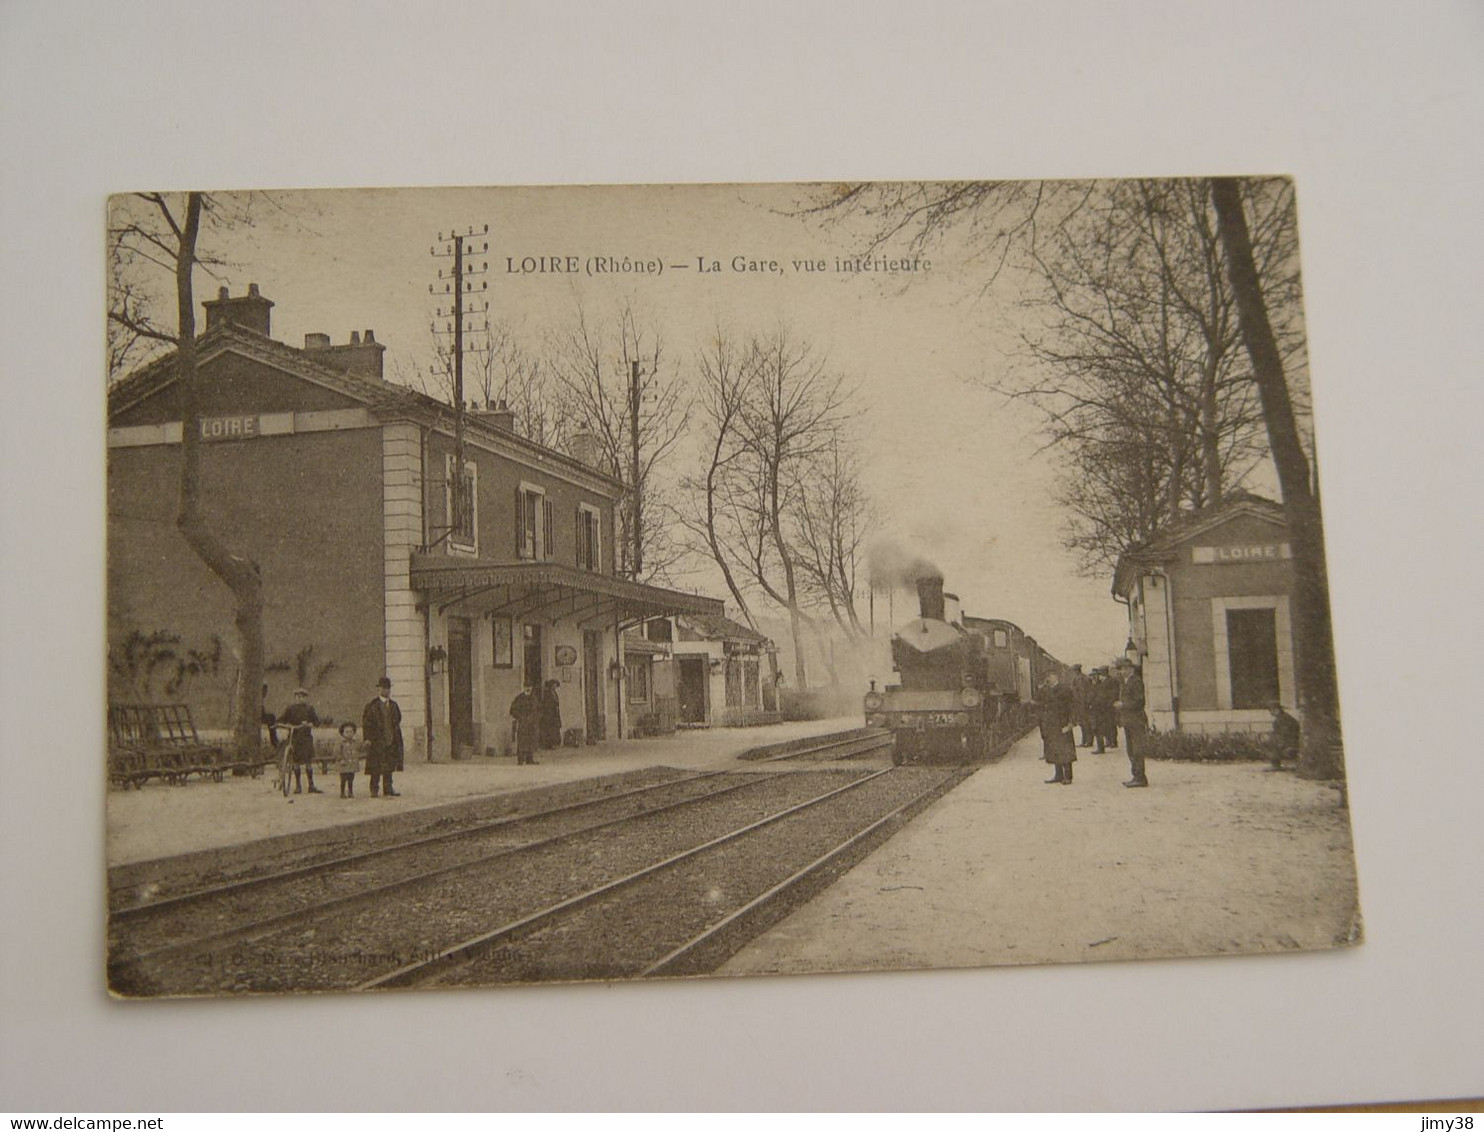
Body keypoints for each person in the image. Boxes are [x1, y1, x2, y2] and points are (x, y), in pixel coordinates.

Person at [361, 676, 404, 798]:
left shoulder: (394, 705)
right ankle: (374, 789)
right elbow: (366, 724)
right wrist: (367, 738)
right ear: (378, 689)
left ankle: (388, 788)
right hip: (376, 740)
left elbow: (398, 720)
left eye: (387, 688)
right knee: (376, 766)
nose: (385, 691)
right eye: (383, 688)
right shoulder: (372, 706)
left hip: (391, 739)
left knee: (389, 765)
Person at [278, 687, 322, 794]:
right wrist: (286, 724)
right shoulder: (290, 709)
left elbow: (316, 722)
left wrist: (309, 724)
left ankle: (311, 785)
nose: (299, 698)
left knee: (308, 762)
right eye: (297, 696)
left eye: (302, 697)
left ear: (305, 698)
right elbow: (281, 719)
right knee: (295, 762)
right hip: (294, 738)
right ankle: (298, 786)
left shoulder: (309, 709)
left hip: (306, 738)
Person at [1114, 656, 1149, 787]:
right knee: (1131, 750)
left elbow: (1139, 701)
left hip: (1136, 720)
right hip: (1129, 720)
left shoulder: (1136, 682)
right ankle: (1136, 776)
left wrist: (1123, 705)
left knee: (1137, 750)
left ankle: (1140, 778)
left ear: (1130, 669)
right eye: (1120, 669)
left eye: (1124, 669)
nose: (1122, 672)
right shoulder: (1125, 682)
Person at [1038, 670, 1077, 785]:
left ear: (1056, 676)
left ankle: (1068, 776)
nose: (1048, 679)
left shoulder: (1065, 689)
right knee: (1055, 749)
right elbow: (1039, 699)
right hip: (1051, 724)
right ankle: (1058, 775)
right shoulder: (1047, 690)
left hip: (1062, 723)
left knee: (1065, 750)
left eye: (1050, 676)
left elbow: (1072, 706)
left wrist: (1071, 722)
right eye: (1047, 677)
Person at [510, 680, 541, 764]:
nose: (528, 688)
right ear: (524, 687)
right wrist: (520, 717)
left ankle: (529, 759)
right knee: (522, 741)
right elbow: (512, 709)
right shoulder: (519, 698)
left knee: (531, 740)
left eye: (530, 687)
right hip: (523, 723)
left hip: (532, 723)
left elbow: (539, 710)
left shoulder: (534, 698)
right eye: (526, 686)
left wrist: (536, 718)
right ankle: (520, 759)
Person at [333, 721, 364, 798]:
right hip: (344, 764)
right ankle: (342, 792)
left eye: (351, 732)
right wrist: (340, 759)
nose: (349, 734)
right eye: (347, 732)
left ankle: (350, 791)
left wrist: (365, 745)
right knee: (343, 779)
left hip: (352, 763)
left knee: (351, 778)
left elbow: (360, 748)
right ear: (343, 733)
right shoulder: (340, 742)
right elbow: (337, 751)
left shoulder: (355, 742)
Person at [1091, 668, 1118, 753]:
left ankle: (1101, 747)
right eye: (1093, 676)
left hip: (1101, 710)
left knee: (1099, 728)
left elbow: (1101, 697)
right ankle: (1102, 745)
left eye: (1095, 675)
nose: (1094, 677)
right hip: (1097, 709)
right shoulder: (1095, 684)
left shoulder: (1100, 685)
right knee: (1097, 728)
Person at [1268, 702, 1301, 770]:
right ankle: (1275, 763)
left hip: (1291, 741)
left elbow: (1285, 733)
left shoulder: (1284, 718)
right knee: (1272, 740)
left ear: (1277, 710)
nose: (1271, 712)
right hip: (1288, 739)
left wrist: (1278, 740)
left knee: (1274, 742)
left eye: (1271, 710)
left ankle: (1275, 765)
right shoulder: (1281, 718)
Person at [1070, 664, 1094, 747]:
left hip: (1083, 704)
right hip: (1079, 704)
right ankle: (1084, 741)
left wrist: (1086, 702)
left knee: (1086, 723)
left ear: (1076, 670)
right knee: (1082, 723)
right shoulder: (1079, 678)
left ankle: (1088, 741)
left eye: (1073, 671)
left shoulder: (1082, 679)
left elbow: (1085, 692)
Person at [539, 679, 563, 750]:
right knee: (549, 729)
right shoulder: (547, 694)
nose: (555, 687)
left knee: (555, 728)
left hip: (555, 713)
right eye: (554, 685)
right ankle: (548, 744)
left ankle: (554, 743)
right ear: (551, 686)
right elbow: (547, 704)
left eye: (555, 685)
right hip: (549, 714)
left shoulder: (555, 693)